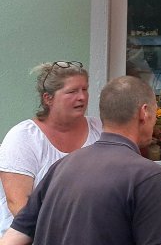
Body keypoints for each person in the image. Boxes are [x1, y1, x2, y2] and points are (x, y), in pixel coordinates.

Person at [0, 76, 161, 245]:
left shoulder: (61, 166)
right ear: (144, 113)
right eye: (155, 115)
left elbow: (14, 237)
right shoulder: (146, 174)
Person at [0, 61, 103, 233]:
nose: (82, 97)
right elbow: (18, 205)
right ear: (48, 98)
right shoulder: (23, 137)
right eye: (72, 91)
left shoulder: (100, 129)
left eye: (84, 89)